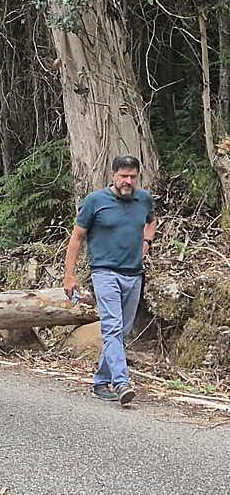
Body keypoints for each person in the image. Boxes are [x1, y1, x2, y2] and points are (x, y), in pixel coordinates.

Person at [63, 155, 157, 406]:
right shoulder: (96, 201)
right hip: (105, 272)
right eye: (123, 176)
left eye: (133, 176)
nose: (128, 181)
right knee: (113, 328)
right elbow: (76, 239)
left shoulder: (143, 199)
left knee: (122, 331)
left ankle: (100, 381)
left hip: (134, 274)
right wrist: (69, 275)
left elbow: (151, 222)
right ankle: (121, 381)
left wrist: (146, 241)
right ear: (113, 175)